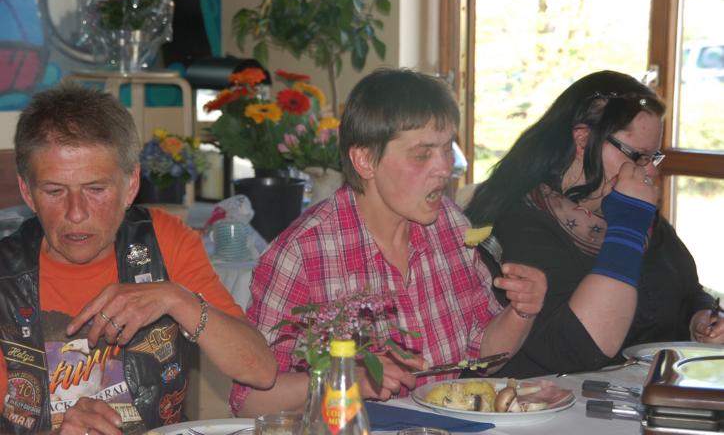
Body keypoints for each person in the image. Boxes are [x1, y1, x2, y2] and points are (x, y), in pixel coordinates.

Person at [229, 68, 547, 417]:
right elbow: (249, 402)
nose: (444, 168)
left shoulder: (450, 226)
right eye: (422, 154)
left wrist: (521, 311)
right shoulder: (302, 254)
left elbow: (483, 356)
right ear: (365, 160)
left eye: (447, 149)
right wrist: (345, 378)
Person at [0, 83, 277, 435]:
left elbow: (260, 371)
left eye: (95, 189)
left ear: (131, 185)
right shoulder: (5, 277)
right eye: (55, 191)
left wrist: (177, 298)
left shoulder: (164, 240)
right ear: (28, 192)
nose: (76, 213)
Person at [463, 70, 722, 378]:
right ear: (583, 139)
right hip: (544, 402)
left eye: (653, 157)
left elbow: (686, 290)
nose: (649, 172)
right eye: (637, 156)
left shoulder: (628, 210)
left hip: (644, 393)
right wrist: (629, 225)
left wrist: (700, 319)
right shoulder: (517, 223)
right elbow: (579, 349)